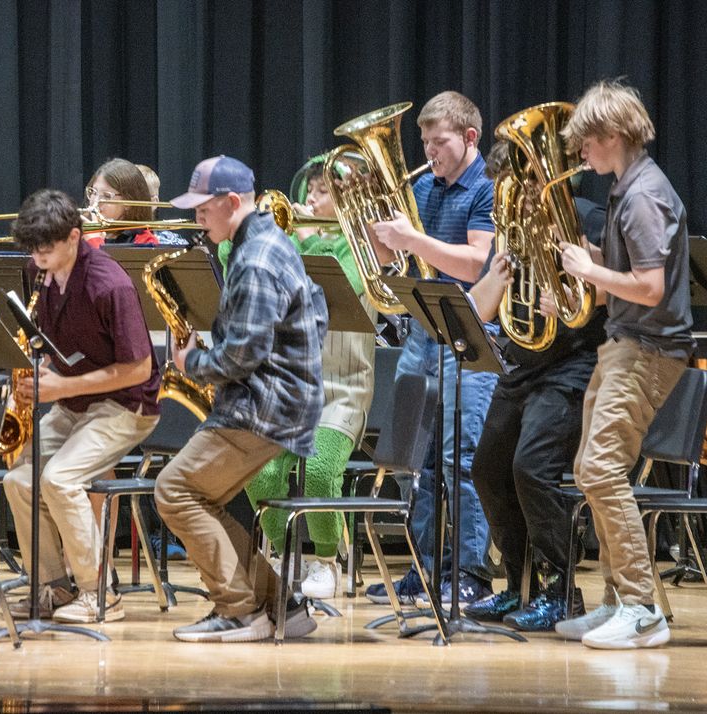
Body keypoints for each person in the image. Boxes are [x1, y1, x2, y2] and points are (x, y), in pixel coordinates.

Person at [155, 155, 327, 642]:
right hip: (276, 403)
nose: (196, 218)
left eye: (202, 209)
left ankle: (239, 612)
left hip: (261, 407)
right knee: (201, 496)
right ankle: (280, 607)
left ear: (232, 202)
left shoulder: (255, 259)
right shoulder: (269, 243)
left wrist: (191, 364)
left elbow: (241, 357)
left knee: (174, 491)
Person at [553, 78, 694, 649]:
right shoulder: (625, 189)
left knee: (602, 469)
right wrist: (585, 262)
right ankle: (616, 600)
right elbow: (624, 286)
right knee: (591, 469)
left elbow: (649, 287)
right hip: (624, 345)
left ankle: (641, 609)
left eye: (585, 142)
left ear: (612, 135)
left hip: (648, 351)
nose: (580, 153)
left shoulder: (640, 196)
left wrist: (590, 273)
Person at [463, 140, 607, 632]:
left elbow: (612, 290)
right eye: (508, 190)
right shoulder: (511, 233)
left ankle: (561, 590)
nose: (517, 200)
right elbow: (481, 313)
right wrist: (498, 282)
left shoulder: (584, 218)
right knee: (486, 468)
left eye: (522, 188)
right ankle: (518, 585)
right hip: (520, 364)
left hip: (571, 365)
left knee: (531, 468)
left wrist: (570, 298)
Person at [1, 189, 161, 623]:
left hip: (126, 406)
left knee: (60, 479)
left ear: (75, 237)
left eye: (46, 248)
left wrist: (58, 389)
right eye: (31, 249)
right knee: (18, 481)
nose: (38, 257)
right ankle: (52, 586)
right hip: (76, 403)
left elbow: (140, 369)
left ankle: (100, 594)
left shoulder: (110, 284)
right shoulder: (43, 274)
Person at [366, 91, 497, 607]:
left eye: (438, 141)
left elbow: (475, 265)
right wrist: (380, 240)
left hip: (466, 336)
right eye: (423, 141)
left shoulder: (485, 189)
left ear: (469, 138)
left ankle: (468, 574)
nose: (428, 151)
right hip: (421, 334)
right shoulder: (424, 187)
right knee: (411, 458)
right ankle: (422, 570)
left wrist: (412, 240)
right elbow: (398, 260)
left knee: (459, 459)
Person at [223, 155, 375, 599]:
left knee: (320, 471)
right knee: (260, 474)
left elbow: (336, 287)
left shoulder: (360, 246)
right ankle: (285, 555)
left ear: (348, 199)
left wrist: (306, 237)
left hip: (341, 389)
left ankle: (327, 561)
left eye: (323, 192)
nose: (310, 198)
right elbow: (228, 254)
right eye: (309, 191)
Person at [83, 158, 163, 248]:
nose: (95, 202)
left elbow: (107, 263)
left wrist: (95, 241)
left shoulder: (146, 241)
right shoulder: (82, 235)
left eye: (106, 196)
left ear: (128, 203)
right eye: (94, 192)